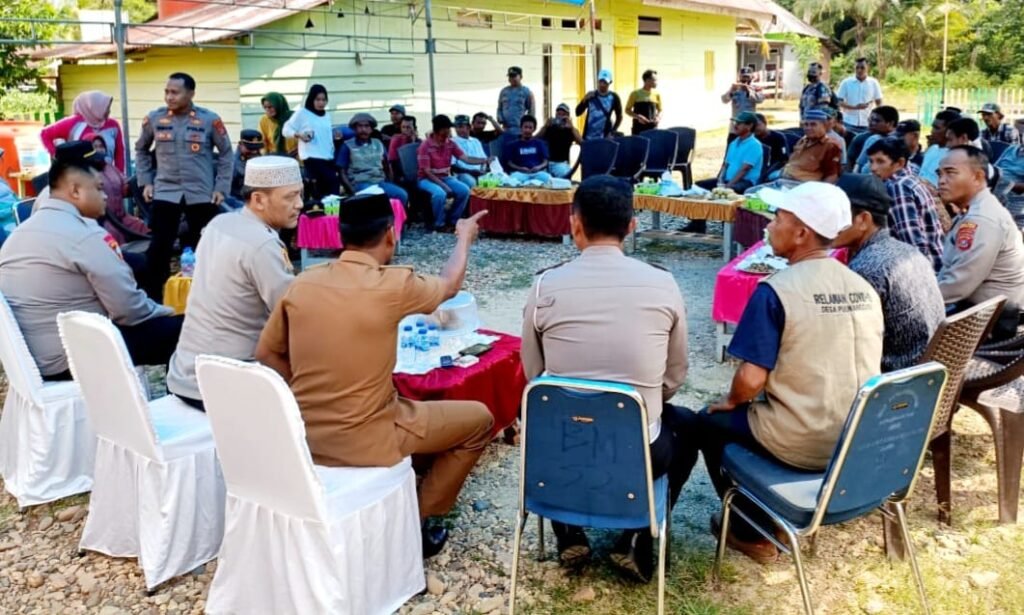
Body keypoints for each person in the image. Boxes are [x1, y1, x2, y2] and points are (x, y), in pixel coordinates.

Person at [254, 194, 494, 558]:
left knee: (409, 402)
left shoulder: (303, 283)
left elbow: (266, 353)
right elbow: (449, 285)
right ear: (390, 235)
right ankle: (415, 520)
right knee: (479, 420)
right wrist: (463, 237)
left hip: (303, 433)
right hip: (370, 435)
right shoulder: (393, 285)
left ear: (339, 236)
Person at [694, 181, 883, 563]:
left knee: (707, 423)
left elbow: (750, 381)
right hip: (856, 439)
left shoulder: (776, 290)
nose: (768, 226)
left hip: (802, 439)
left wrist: (730, 401)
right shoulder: (862, 286)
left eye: (778, 217)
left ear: (801, 233)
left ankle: (754, 531)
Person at [520, 175, 697, 582]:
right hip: (639, 450)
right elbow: (675, 374)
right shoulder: (663, 283)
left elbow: (534, 376)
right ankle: (637, 535)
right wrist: (642, 398)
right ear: (632, 225)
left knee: (545, 412)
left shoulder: (545, 284)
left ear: (574, 224)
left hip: (562, 449)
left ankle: (568, 531)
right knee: (686, 423)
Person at [0, 141, 182, 380]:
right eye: (98, 189)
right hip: (72, 357)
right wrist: (167, 310)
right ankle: (181, 404)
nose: (105, 196)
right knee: (190, 332)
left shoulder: (21, 233)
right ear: (75, 191)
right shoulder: (84, 235)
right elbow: (129, 310)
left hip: (32, 358)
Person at [167, 156, 301, 410]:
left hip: (184, 372)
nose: (300, 205)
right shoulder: (262, 244)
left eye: (300, 195)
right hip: (230, 380)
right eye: (290, 197)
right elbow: (292, 315)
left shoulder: (220, 223)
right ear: (259, 199)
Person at [135, 72, 233, 301]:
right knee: (159, 247)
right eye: (167, 92)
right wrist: (146, 182)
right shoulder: (155, 119)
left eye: (175, 92)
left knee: (204, 244)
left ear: (191, 94)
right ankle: (154, 299)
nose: (169, 97)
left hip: (201, 193)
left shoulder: (210, 120)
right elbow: (140, 149)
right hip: (165, 191)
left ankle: (207, 295)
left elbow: (227, 153)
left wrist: (221, 187)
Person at [833, 173, 945, 372]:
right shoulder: (906, 251)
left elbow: (844, 342)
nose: (828, 224)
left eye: (836, 215)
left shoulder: (868, 268)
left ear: (863, 219)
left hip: (896, 378)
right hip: (927, 366)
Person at [936, 146, 1024, 340]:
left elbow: (958, 284)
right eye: (939, 174)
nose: (941, 180)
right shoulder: (977, 211)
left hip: (987, 325)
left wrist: (916, 300)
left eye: (950, 173)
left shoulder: (981, 219)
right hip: (979, 316)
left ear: (977, 177)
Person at [864, 137, 945, 271]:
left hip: (923, 268)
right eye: (871, 161)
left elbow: (911, 241)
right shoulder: (909, 179)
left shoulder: (898, 187)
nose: (873, 168)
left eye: (880, 162)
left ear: (900, 163)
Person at [417, 115, 490, 232]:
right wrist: (444, 186)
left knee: (464, 190)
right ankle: (439, 223)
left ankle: (453, 220)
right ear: (438, 130)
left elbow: (465, 158)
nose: (449, 132)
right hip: (426, 179)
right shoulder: (425, 146)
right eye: (446, 129)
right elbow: (427, 171)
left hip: (445, 177)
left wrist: (484, 160)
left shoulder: (450, 143)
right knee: (440, 194)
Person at [694, 112, 763, 233]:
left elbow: (744, 169)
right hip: (728, 179)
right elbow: (726, 165)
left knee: (728, 193)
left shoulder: (754, 145)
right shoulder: (734, 143)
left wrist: (728, 185)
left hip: (745, 182)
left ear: (749, 126)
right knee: (700, 186)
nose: (735, 126)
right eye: (735, 123)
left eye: (739, 123)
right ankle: (697, 224)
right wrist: (720, 179)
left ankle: (728, 229)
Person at [40, 90, 126, 173]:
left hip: (107, 178)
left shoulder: (113, 125)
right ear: (95, 107)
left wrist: (120, 175)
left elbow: (119, 153)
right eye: (106, 108)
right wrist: (56, 155)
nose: (109, 111)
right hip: (81, 178)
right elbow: (45, 134)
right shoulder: (72, 123)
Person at [337, 113, 409, 206]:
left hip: (379, 182)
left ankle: (394, 220)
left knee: (402, 195)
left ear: (371, 129)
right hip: (360, 183)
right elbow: (341, 171)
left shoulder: (378, 143)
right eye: (360, 126)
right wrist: (351, 190)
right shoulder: (347, 145)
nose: (363, 129)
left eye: (367, 126)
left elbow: (387, 166)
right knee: (377, 197)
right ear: (354, 129)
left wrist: (390, 183)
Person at [89, 136, 149, 245]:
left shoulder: (111, 168)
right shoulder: (86, 172)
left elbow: (125, 187)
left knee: (144, 228)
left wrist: (140, 182)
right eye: (95, 147)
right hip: (104, 221)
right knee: (114, 235)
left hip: (123, 218)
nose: (99, 149)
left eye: (101, 146)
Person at [283, 84, 337, 201]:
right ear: (311, 99)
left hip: (327, 157)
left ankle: (332, 218)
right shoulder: (302, 113)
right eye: (318, 99)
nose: (321, 103)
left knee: (332, 193)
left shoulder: (327, 115)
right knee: (320, 191)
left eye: (323, 100)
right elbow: (286, 129)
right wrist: (298, 135)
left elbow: (325, 135)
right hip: (312, 157)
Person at [773, 109, 843, 184]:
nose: (808, 128)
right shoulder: (803, 140)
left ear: (824, 126)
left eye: (813, 124)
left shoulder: (830, 146)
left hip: (803, 186)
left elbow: (832, 176)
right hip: (783, 179)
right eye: (806, 125)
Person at [835, 58, 883, 130]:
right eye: (857, 68)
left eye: (862, 68)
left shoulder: (874, 83)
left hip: (867, 123)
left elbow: (879, 102)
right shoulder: (846, 83)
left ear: (868, 67)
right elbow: (838, 102)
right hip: (848, 122)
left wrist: (877, 119)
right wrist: (855, 107)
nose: (859, 70)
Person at [538, 103, 582, 179]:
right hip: (546, 162)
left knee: (564, 175)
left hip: (561, 163)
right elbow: (536, 139)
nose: (560, 117)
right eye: (558, 114)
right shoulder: (550, 127)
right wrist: (545, 127)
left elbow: (581, 142)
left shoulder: (570, 130)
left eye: (563, 114)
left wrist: (571, 127)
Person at [576, 69, 623, 141]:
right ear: (598, 81)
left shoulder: (614, 97)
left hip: (604, 137)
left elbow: (619, 117)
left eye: (605, 82)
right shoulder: (591, 95)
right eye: (600, 81)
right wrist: (584, 99)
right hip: (588, 137)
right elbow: (577, 112)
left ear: (609, 82)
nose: (602, 85)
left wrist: (612, 131)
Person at [919, 110, 961, 189]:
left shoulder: (953, 156)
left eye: (937, 128)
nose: (932, 131)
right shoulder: (932, 149)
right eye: (932, 127)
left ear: (949, 131)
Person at [503, 115, 551, 183]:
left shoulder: (540, 144)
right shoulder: (512, 145)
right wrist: (520, 168)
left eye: (530, 128)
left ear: (534, 129)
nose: (527, 130)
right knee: (511, 181)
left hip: (537, 173)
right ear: (521, 128)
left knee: (549, 180)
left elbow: (545, 161)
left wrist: (538, 167)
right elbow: (509, 163)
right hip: (520, 174)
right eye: (525, 127)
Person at [851, 105, 899, 173]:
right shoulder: (862, 138)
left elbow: (859, 166)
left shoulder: (874, 139)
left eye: (876, 121)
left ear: (891, 123)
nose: (871, 123)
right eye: (870, 120)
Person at [721, 68, 764, 138]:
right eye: (743, 77)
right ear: (739, 77)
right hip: (735, 127)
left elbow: (760, 99)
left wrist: (749, 92)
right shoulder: (735, 88)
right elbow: (724, 100)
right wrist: (731, 91)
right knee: (732, 147)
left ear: (751, 77)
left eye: (747, 77)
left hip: (749, 127)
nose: (745, 79)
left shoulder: (755, 88)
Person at [496, 66, 536, 139]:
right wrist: (500, 119)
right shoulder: (504, 91)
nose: (512, 79)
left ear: (520, 77)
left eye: (514, 76)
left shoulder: (526, 92)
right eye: (510, 76)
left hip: (520, 130)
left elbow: (531, 111)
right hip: (506, 129)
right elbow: (499, 108)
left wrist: (528, 127)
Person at [451, 114, 488, 188]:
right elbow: (453, 166)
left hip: (479, 173)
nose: (458, 130)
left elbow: (484, 159)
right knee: (471, 182)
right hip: (463, 174)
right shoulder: (452, 142)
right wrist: (471, 172)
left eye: (461, 127)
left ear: (469, 127)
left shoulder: (475, 141)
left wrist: (482, 171)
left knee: (493, 182)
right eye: (456, 127)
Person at [259, 92, 297, 157]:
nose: (267, 110)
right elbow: (262, 142)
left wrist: (290, 155)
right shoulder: (264, 120)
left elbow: (303, 140)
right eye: (265, 107)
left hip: (295, 157)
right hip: (274, 159)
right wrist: (265, 157)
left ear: (279, 105)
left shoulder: (294, 118)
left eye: (270, 107)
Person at [230, 129, 264, 202]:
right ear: (240, 145)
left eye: (256, 148)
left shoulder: (261, 160)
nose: (254, 151)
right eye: (250, 148)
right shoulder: (231, 163)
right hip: (238, 201)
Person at [626, 69, 663, 135]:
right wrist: (638, 117)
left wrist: (658, 118)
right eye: (655, 80)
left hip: (652, 128)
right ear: (647, 80)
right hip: (638, 129)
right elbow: (627, 110)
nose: (656, 82)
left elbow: (660, 110)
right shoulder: (635, 93)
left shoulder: (657, 95)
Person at [387, 115, 420, 181]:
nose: (405, 130)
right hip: (401, 174)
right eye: (403, 127)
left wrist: (413, 141)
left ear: (414, 128)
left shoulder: (419, 141)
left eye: (408, 127)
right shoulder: (396, 139)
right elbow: (393, 161)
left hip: (417, 174)